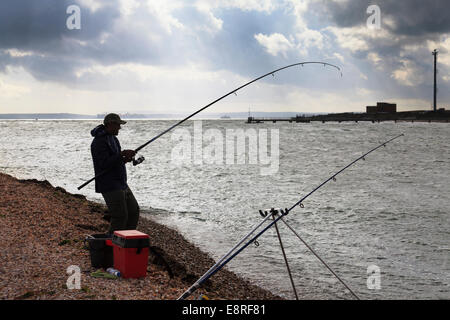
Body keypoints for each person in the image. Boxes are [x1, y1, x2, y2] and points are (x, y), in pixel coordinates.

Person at [90, 113, 140, 234]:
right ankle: (112, 246)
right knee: (120, 217)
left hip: (121, 182)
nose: (119, 128)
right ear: (110, 124)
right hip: (109, 184)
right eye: (118, 125)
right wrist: (121, 154)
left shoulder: (113, 139)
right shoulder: (98, 142)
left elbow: (116, 160)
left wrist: (125, 159)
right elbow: (104, 164)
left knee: (134, 211)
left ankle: (126, 241)